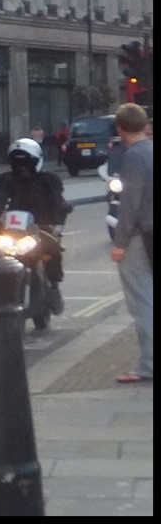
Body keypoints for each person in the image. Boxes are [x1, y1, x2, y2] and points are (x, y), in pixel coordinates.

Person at [0, 136, 71, 312]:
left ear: (36, 161)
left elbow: (58, 201)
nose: (22, 168)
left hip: (41, 227)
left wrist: (57, 224)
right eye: (18, 164)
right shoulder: (6, 180)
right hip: (12, 229)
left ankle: (54, 286)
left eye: (26, 163)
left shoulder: (49, 179)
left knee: (53, 251)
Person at [109, 102, 152, 384]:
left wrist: (119, 243)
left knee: (142, 301)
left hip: (140, 236)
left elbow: (130, 203)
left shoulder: (134, 156)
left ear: (121, 129)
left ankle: (148, 365)